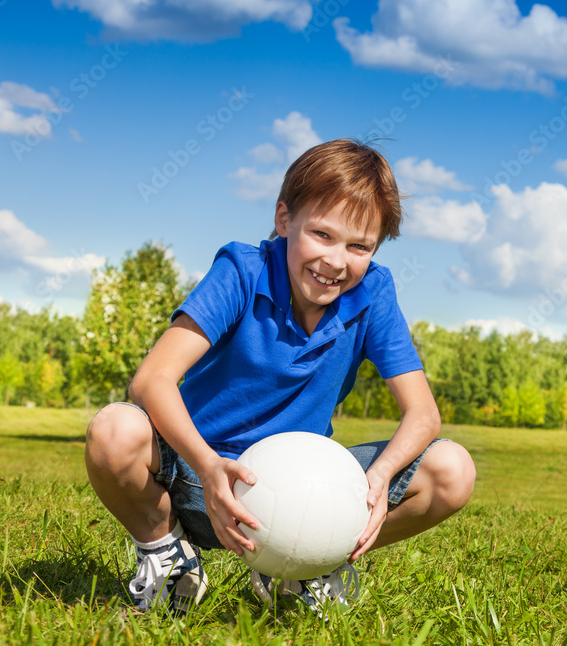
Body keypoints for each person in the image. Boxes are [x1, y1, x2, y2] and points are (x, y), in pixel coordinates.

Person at [84, 138, 476, 617]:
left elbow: (423, 415)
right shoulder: (242, 271)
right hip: (201, 480)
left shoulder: (374, 292)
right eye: (322, 235)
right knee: (113, 430)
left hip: (304, 492)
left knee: (452, 471)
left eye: (359, 246)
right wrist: (208, 468)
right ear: (284, 219)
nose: (336, 261)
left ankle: (310, 561)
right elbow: (151, 380)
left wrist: (377, 478)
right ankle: (169, 555)